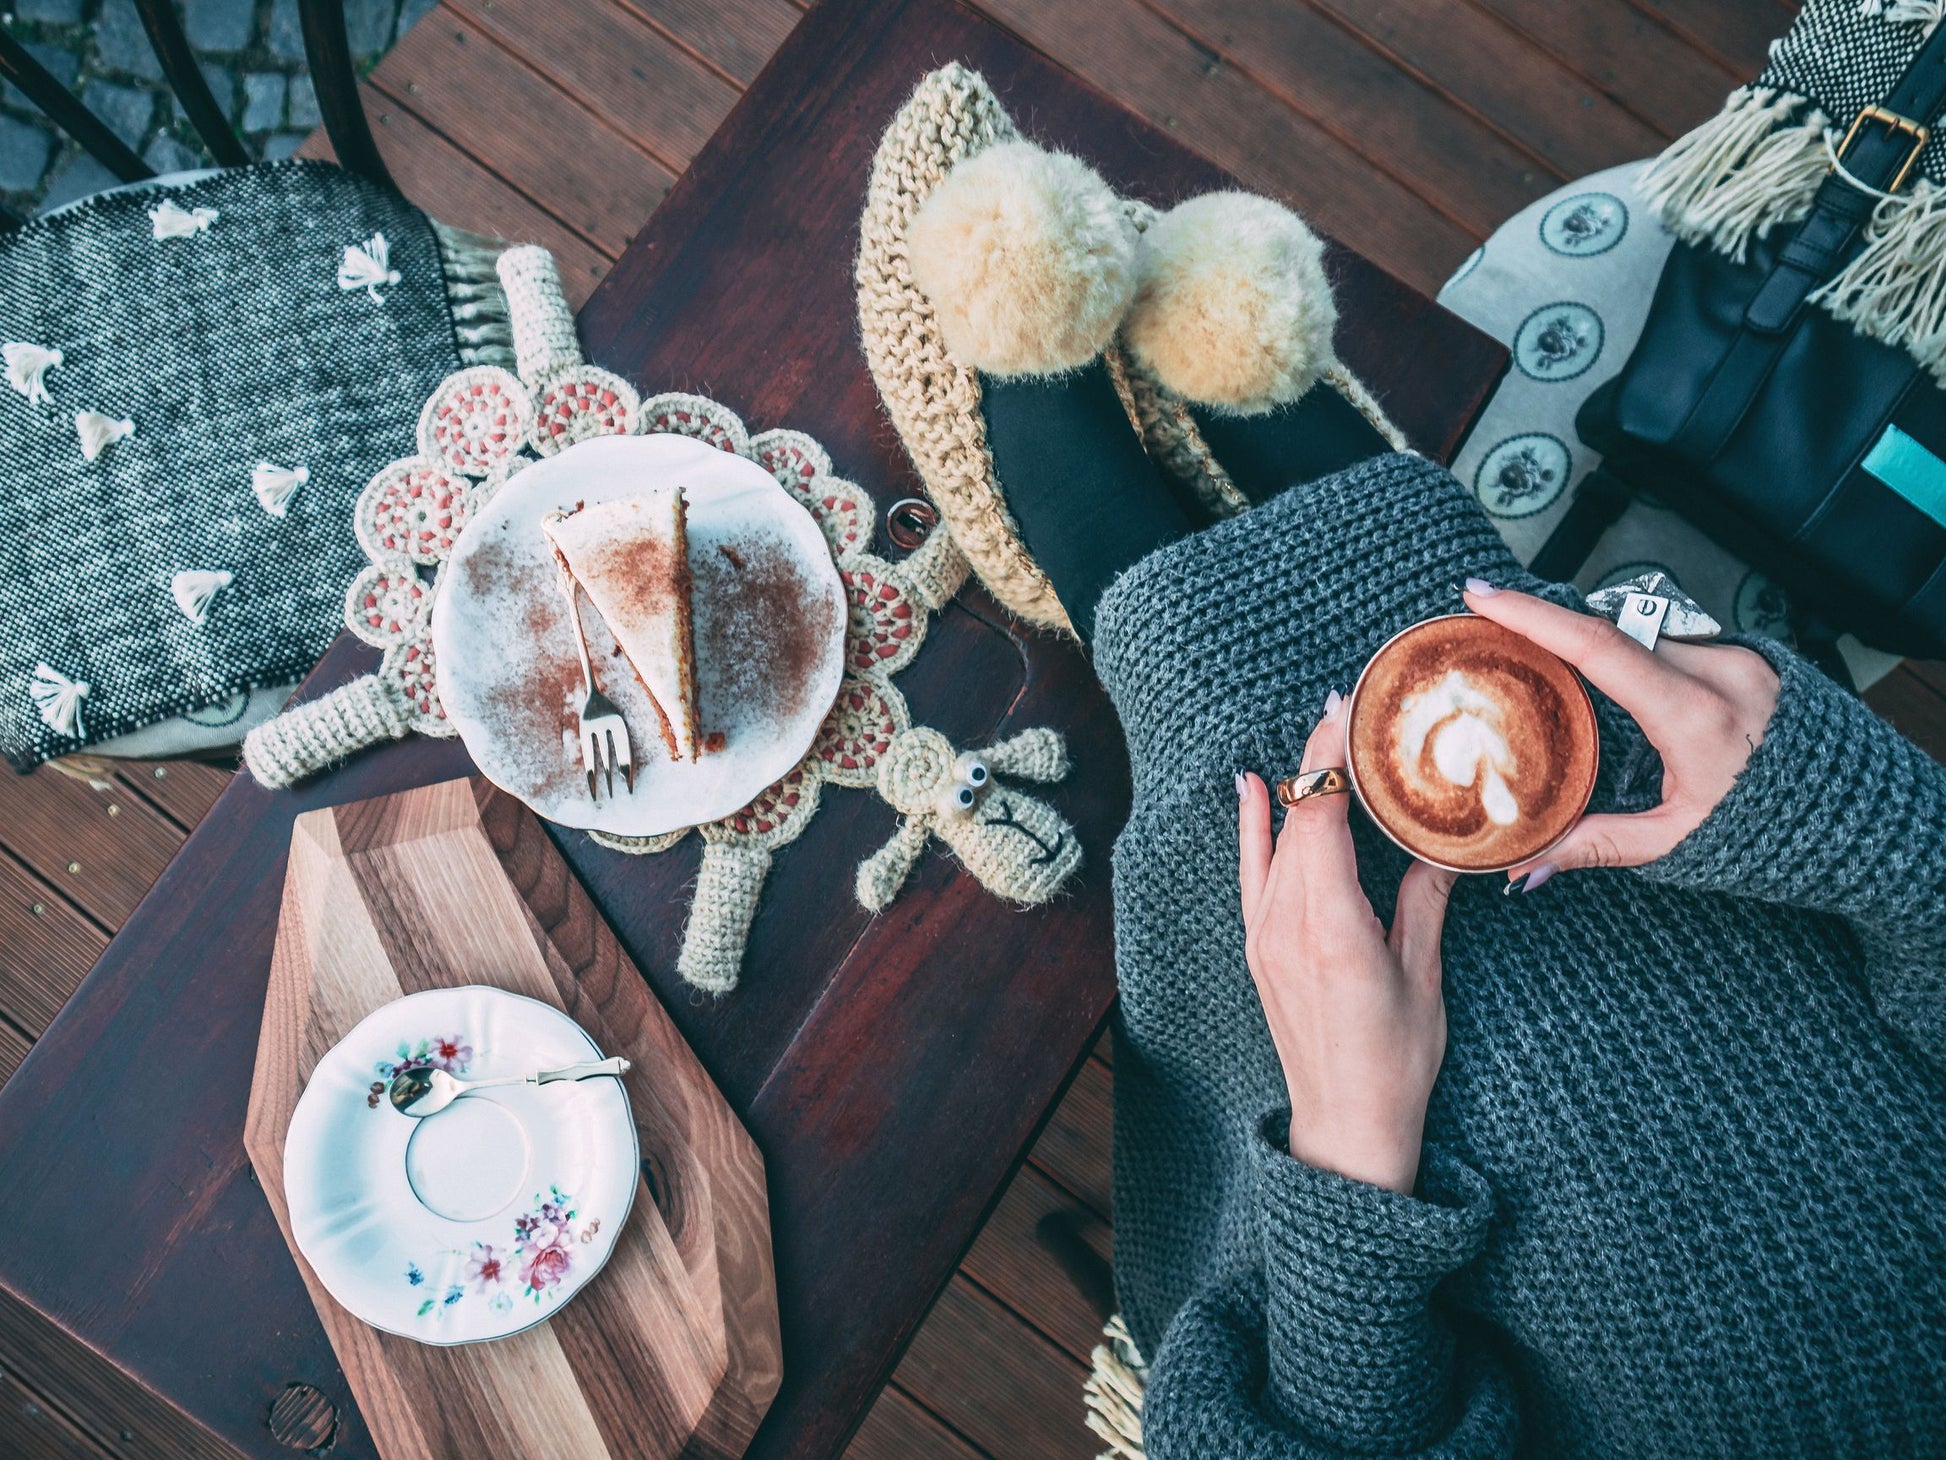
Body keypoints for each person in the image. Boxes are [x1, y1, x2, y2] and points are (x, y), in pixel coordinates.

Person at [858, 66, 1946, 1457]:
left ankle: (1087, 532)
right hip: (1744, 930)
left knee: (1246, 796)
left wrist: (1347, 1159)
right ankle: (1293, 443)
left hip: (1399, 1152)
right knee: (1475, 645)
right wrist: (1866, 829)